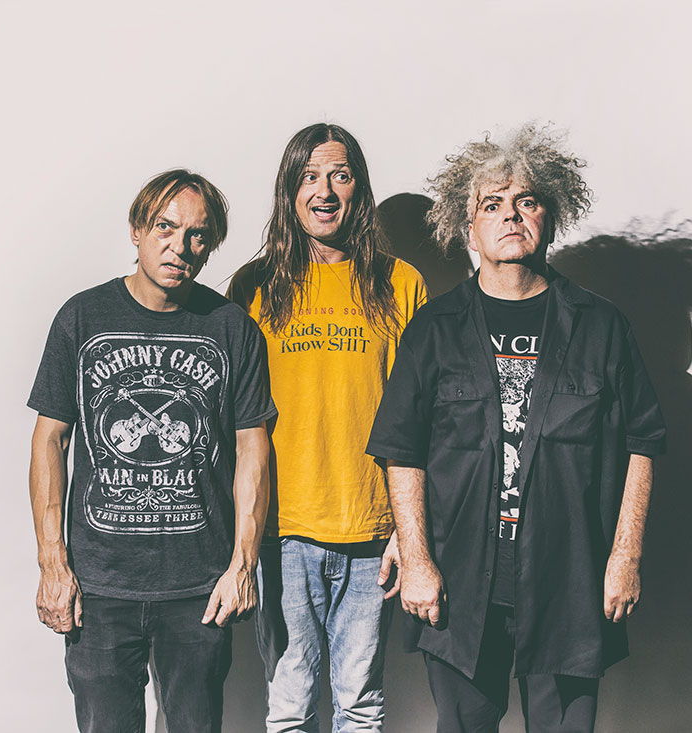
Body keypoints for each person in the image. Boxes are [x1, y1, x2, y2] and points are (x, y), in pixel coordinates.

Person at [366, 125, 667, 732]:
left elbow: (643, 442)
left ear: (550, 219)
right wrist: (417, 561)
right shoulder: (434, 328)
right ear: (468, 228)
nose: (510, 215)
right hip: (460, 585)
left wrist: (625, 557)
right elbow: (402, 451)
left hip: (570, 582)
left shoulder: (601, 326)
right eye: (491, 204)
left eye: (526, 201)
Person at [28, 170, 276, 733]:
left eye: (197, 234)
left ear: (209, 247)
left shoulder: (231, 328)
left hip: (198, 588)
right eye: (165, 227)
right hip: (99, 588)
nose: (179, 246)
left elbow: (253, 450)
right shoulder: (82, 318)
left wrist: (242, 566)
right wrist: (52, 564)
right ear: (137, 230)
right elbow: (50, 440)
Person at [227, 123, 427, 732]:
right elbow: (231, 419)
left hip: (372, 532)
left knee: (360, 706)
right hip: (281, 531)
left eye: (340, 175)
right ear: (289, 190)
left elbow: (423, 419)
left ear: (359, 188)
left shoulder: (401, 283)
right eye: (309, 176)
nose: (325, 191)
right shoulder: (254, 285)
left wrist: (408, 532)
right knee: (290, 707)